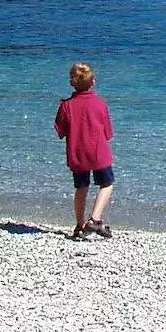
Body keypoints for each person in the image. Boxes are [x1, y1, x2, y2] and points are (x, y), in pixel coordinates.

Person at [56, 61, 117, 240]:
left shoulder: (66, 106)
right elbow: (108, 134)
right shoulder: (100, 104)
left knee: (81, 187)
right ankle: (95, 218)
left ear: (73, 83)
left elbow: (61, 130)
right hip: (99, 153)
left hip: (78, 153)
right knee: (107, 184)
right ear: (93, 83)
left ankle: (79, 225)